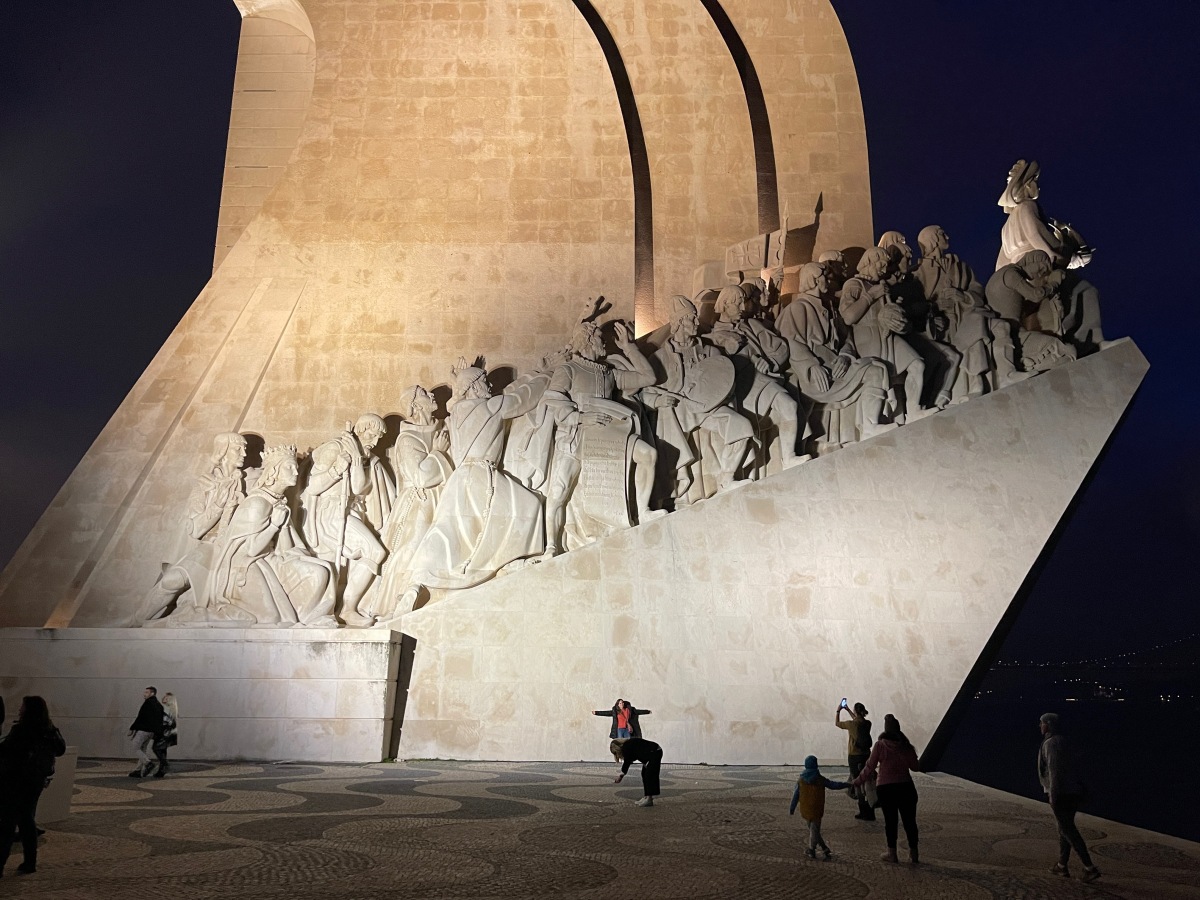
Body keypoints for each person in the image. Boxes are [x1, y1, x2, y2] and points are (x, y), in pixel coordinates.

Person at [0, 696, 66, 876]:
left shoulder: (21, 730)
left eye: (22, 706)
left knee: (8, 824)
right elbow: (61, 750)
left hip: (15, 781)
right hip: (36, 781)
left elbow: (6, 752)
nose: (19, 708)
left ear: (29, 710)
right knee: (27, 820)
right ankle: (30, 862)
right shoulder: (50, 730)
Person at [1038, 712, 1101, 883]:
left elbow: (1054, 771)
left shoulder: (1051, 743)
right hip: (1073, 791)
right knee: (1064, 828)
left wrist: (1053, 795)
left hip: (1062, 793)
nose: (1040, 726)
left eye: (1042, 723)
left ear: (1049, 724)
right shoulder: (1064, 740)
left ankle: (1089, 868)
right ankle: (1061, 865)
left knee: (1068, 830)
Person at [852, 713, 921, 864]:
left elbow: (869, 766)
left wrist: (858, 781)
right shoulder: (905, 745)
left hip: (886, 788)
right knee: (910, 821)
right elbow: (915, 767)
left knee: (890, 822)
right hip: (906, 787)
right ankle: (914, 853)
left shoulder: (880, 745)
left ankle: (892, 854)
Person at [789, 755, 852, 860]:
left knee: (813, 830)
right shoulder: (820, 779)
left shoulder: (801, 780)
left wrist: (792, 808)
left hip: (806, 809)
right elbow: (833, 785)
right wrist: (847, 784)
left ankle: (819, 849)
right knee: (814, 830)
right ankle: (815, 849)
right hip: (817, 809)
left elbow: (796, 795)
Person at [835, 700, 875, 820]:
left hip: (854, 756)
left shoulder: (851, 724)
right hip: (866, 755)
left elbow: (837, 723)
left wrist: (838, 710)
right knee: (867, 781)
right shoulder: (868, 723)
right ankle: (871, 809)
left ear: (856, 711)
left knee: (857, 782)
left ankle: (862, 810)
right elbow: (858, 720)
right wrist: (848, 710)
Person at [611, 737, 662, 807]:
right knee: (644, 774)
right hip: (654, 752)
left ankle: (649, 799)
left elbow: (627, 762)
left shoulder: (626, 747)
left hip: (655, 752)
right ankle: (646, 797)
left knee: (649, 775)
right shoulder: (628, 744)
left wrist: (621, 776)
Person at [128, 686, 164, 778]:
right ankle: (138, 770)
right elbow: (160, 720)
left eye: (147, 692)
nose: (144, 694)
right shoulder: (159, 705)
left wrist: (132, 728)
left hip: (143, 730)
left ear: (152, 693)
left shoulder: (148, 703)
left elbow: (141, 717)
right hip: (151, 732)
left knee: (135, 747)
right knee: (143, 748)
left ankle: (148, 763)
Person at [152, 693, 179, 778]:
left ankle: (165, 765)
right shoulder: (173, 709)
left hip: (163, 733)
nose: (163, 698)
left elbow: (163, 721)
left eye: (166, 698)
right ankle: (161, 770)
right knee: (163, 751)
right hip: (170, 734)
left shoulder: (164, 708)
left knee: (156, 748)